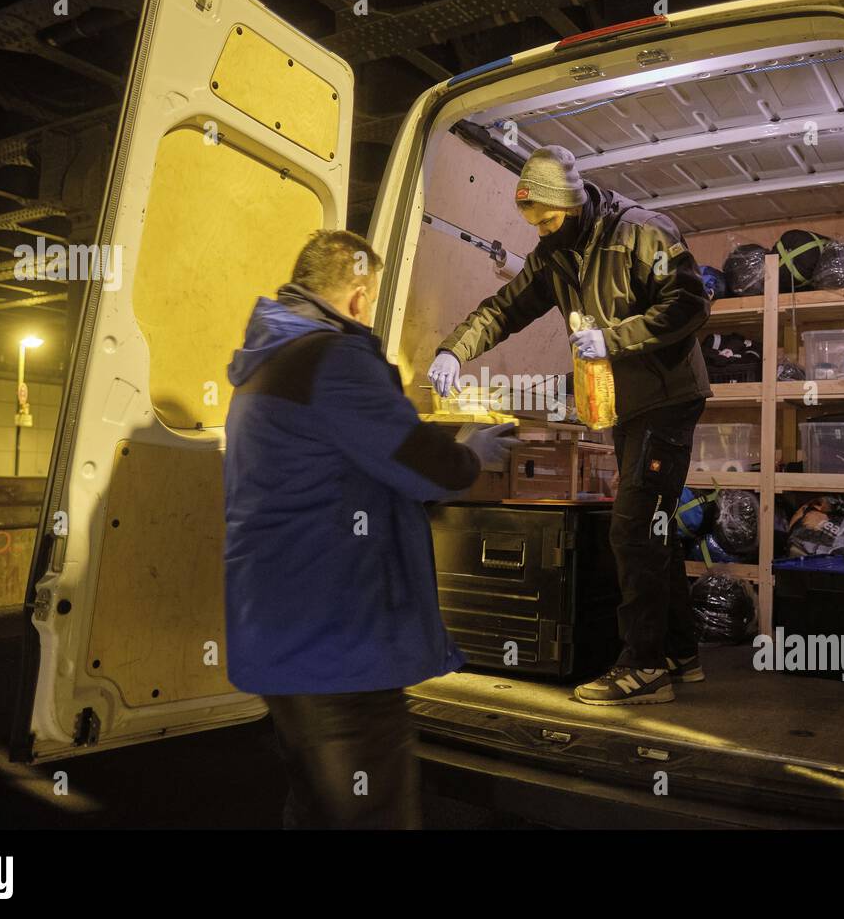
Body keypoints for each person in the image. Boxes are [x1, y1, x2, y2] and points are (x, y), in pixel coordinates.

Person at [223, 228, 518, 828]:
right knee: (371, 811)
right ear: (358, 298)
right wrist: (471, 453)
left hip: (277, 631)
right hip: (338, 636)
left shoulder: (264, 364)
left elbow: (347, 464)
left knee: (315, 806)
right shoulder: (333, 359)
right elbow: (420, 464)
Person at [428, 145, 711, 706]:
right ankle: (679, 650)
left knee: (631, 525)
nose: (542, 231)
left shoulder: (642, 233)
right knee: (653, 524)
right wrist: (453, 352)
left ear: (573, 202)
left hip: (667, 396)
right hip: (627, 405)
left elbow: (690, 304)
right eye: (534, 223)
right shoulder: (555, 254)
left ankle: (644, 667)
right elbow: (504, 308)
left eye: (549, 219)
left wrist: (614, 337)